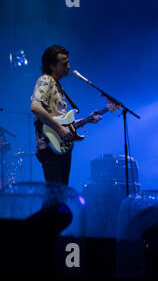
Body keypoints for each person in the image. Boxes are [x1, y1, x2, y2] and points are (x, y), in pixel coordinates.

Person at [30, 45, 103, 185]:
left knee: (60, 193)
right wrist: (60, 129)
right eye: (64, 63)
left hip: (60, 146)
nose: (69, 66)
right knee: (55, 195)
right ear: (52, 65)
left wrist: (88, 120)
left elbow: (62, 120)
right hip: (50, 147)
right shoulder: (45, 81)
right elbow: (35, 107)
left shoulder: (56, 85)